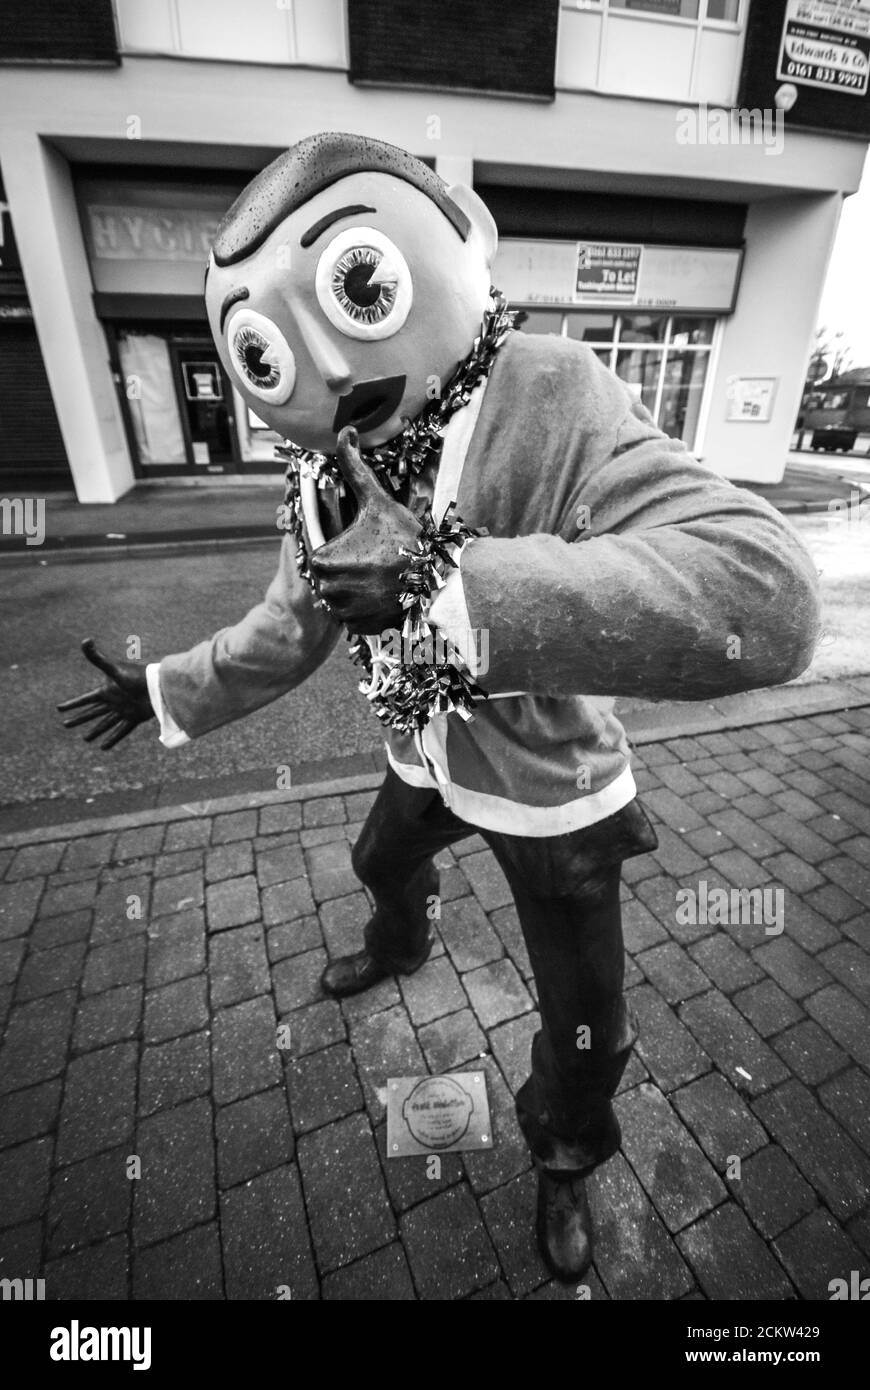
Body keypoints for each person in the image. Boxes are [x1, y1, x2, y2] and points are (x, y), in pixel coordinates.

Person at [59, 133, 821, 1283]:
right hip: (424, 753)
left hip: (551, 787)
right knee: (379, 858)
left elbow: (763, 593)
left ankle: (565, 1160)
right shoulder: (317, 482)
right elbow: (286, 630)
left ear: (460, 238)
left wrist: (442, 579)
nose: (322, 366)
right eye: (265, 350)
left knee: (585, 1028)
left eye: (357, 284)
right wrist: (163, 683)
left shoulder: (553, 390)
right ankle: (402, 932)